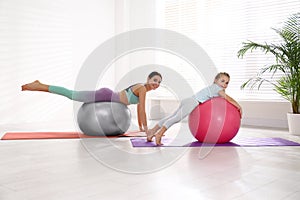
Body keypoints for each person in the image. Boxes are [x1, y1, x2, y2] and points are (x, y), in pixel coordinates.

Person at [21, 71, 162, 133]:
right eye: (155, 80)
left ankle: (40, 85)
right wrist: (147, 129)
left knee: (72, 95)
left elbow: (138, 109)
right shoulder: (142, 89)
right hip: (105, 95)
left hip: (108, 96)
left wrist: (142, 128)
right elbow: (142, 109)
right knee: (72, 95)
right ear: (148, 79)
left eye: (159, 82)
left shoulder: (143, 89)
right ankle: (39, 85)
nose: (156, 83)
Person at [147, 72, 242, 146]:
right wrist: (238, 106)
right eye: (222, 81)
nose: (224, 84)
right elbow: (227, 98)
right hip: (192, 102)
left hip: (188, 100)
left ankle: (152, 131)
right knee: (176, 118)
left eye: (227, 82)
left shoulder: (213, 88)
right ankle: (159, 134)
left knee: (172, 116)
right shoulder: (217, 89)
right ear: (215, 80)